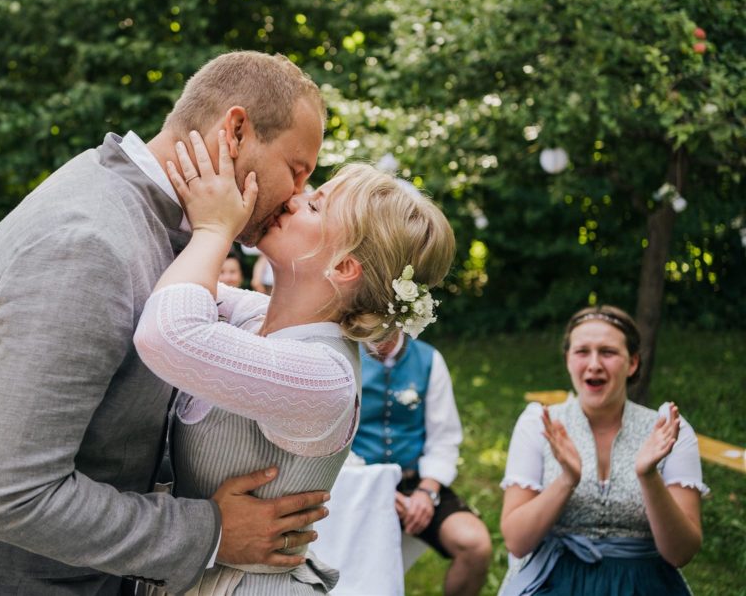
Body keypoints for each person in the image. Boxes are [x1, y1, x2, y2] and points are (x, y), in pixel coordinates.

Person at [0, 51, 337, 596]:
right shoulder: (87, 247)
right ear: (236, 129)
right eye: (296, 171)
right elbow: (15, 495)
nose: (297, 196)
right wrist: (211, 532)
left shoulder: (144, 212)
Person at [133, 131, 456, 594]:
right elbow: (164, 284)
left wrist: (215, 230)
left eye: (315, 206)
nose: (293, 199)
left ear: (344, 266)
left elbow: (166, 333)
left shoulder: (324, 377)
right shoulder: (257, 317)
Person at [499, 305, 707, 595]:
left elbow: (680, 553)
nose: (594, 364)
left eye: (607, 352)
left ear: (632, 363)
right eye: (582, 351)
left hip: (644, 584)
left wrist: (648, 476)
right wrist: (566, 480)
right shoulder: (538, 424)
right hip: (553, 580)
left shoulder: (669, 429)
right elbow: (517, 542)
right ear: (568, 360)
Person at [353, 330, 491, 596]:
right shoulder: (343, 355)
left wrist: (427, 492)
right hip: (357, 482)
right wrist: (374, 488)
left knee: (475, 545)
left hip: (415, 481)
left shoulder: (429, 359)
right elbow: (334, 441)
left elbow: (444, 438)